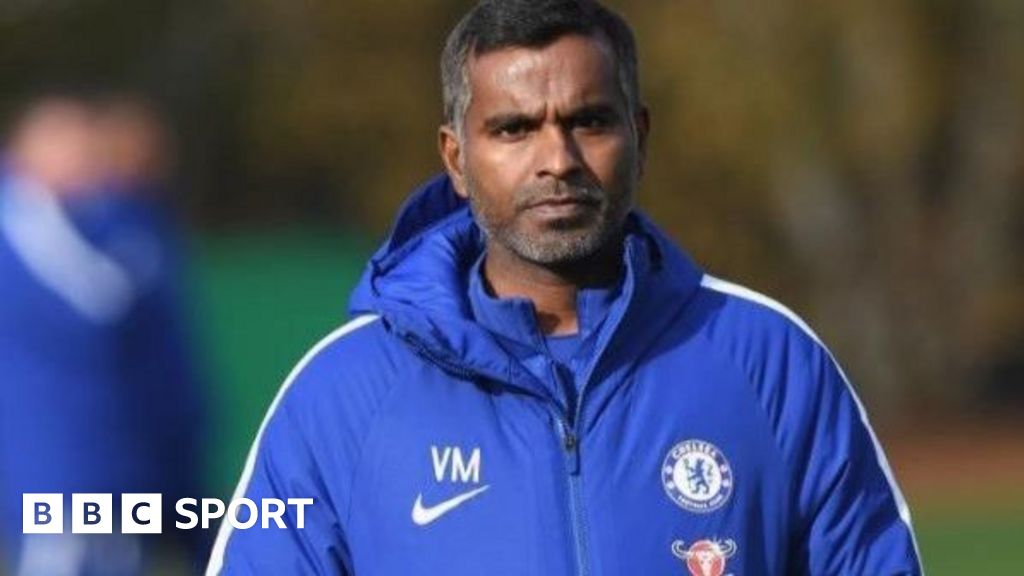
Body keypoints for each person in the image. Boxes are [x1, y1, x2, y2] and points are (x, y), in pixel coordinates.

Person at [208, 1, 923, 574]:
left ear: (639, 134)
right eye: (514, 129)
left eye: (590, 121)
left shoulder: (769, 362)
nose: (558, 159)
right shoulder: (341, 395)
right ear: (457, 159)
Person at [0, 94, 207, 575]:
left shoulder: (111, 222)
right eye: (73, 143)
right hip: (60, 473)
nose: (89, 157)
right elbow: (97, 304)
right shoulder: (24, 218)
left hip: (121, 463)